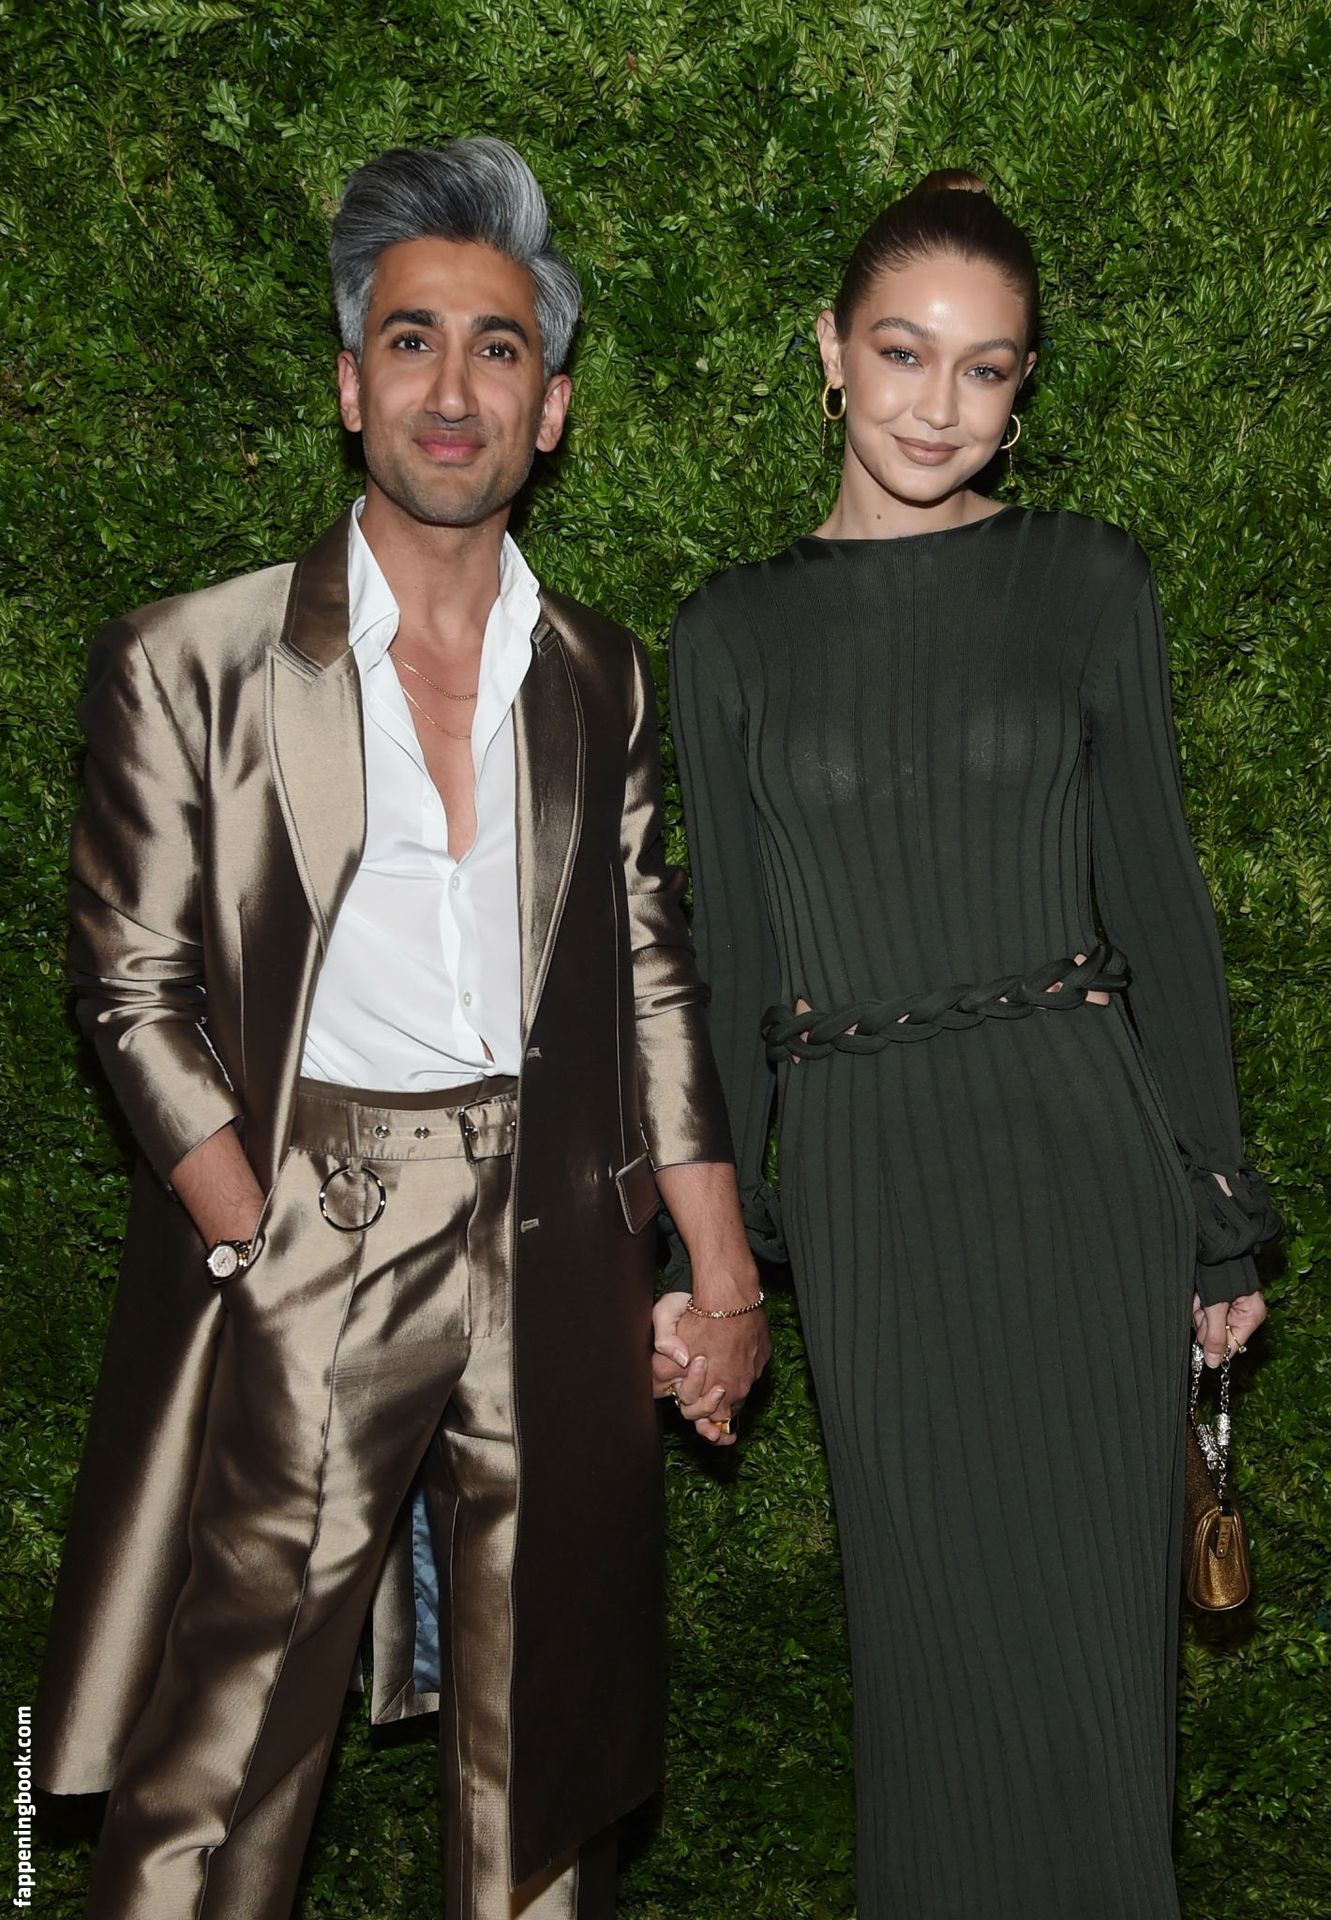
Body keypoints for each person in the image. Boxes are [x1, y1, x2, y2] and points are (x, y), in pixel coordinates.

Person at [33, 138, 769, 1920]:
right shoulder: (191, 660)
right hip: (316, 1225)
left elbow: (653, 975)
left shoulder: (601, 673)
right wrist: (250, 1224)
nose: (455, 389)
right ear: (351, 385)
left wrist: (724, 1273)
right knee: (225, 1757)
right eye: (413, 341)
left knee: (547, 1762)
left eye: (499, 348)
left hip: (555, 1241)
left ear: (552, 406)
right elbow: (128, 985)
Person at [666, 169, 1278, 1919]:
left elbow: (1159, 907)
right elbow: (730, 962)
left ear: (1023, 387)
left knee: (1095, 1697)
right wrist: (715, 1255)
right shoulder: (728, 634)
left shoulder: (1087, 580)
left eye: (987, 368)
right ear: (829, 352)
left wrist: (1217, 1217)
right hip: (870, 1194)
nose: (940, 406)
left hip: (1085, 1168)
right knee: (931, 1685)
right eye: (903, 353)